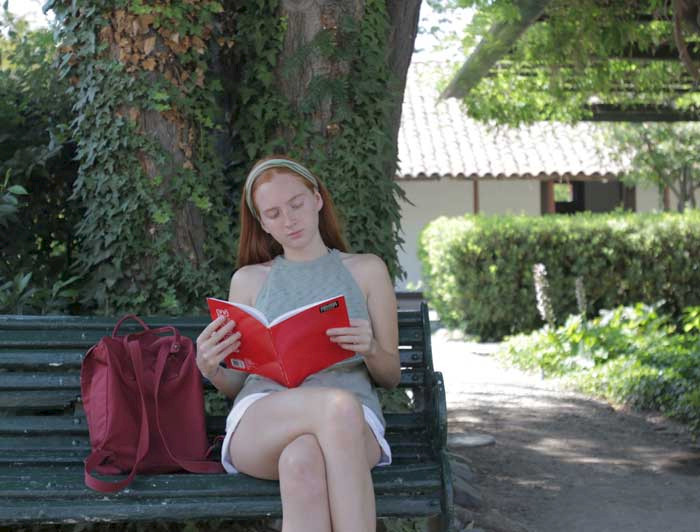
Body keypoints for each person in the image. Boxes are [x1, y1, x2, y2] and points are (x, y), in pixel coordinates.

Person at [195, 156, 400, 532]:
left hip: (355, 423)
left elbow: (390, 376)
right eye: (273, 214)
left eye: (296, 204)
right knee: (337, 406)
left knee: (302, 461)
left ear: (317, 199)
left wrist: (371, 349)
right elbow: (239, 383)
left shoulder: (367, 270)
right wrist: (211, 370)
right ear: (262, 223)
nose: (288, 220)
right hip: (264, 417)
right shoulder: (248, 280)